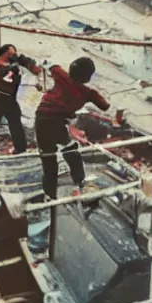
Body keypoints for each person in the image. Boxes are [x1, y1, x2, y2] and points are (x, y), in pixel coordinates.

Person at [35, 57, 110, 200]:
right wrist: (96, 93)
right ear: (88, 77)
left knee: (49, 159)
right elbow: (105, 106)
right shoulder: (88, 93)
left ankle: (49, 196)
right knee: (71, 152)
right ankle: (80, 183)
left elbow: (49, 64)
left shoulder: (61, 75)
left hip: (41, 119)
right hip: (56, 122)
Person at [0, 44, 41, 155]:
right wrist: (10, 70)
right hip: (3, 97)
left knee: (12, 123)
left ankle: (20, 148)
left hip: (9, 98)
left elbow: (28, 71)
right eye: (11, 53)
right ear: (5, 53)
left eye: (14, 53)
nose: (13, 55)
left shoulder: (12, 65)